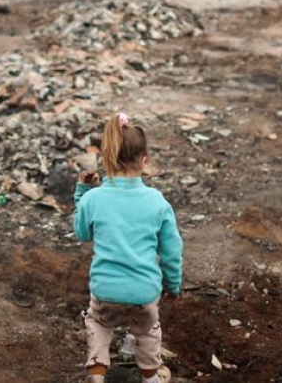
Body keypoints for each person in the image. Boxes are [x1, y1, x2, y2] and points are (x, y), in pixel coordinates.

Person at [74, 112, 183, 383]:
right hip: (144, 293)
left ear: (105, 160)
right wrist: (173, 285)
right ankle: (150, 377)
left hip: (105, 289)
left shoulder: (94, 198)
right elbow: (171, 251)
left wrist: (81, 193)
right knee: (148, 333)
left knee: (98, 324)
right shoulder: (157, 202)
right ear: (144, 161)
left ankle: (97, 373)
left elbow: (82, 233)